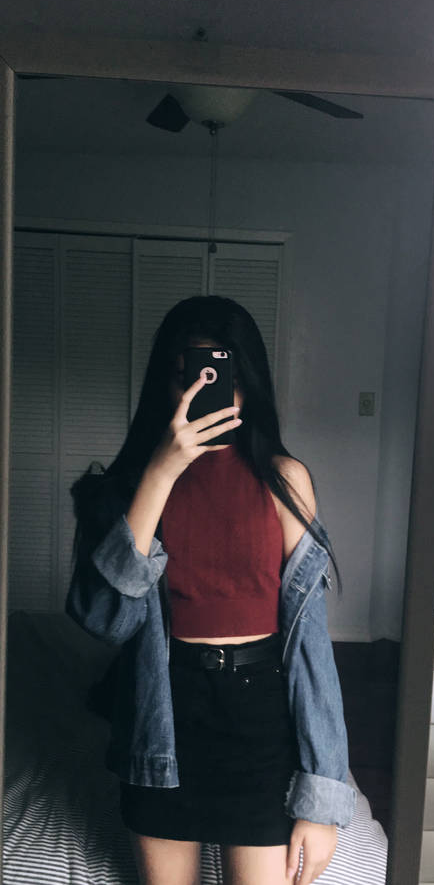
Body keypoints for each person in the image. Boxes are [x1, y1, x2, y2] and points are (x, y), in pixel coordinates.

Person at [66, 295, 357, 885]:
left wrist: (323, 796)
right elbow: (105, 620)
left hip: (262, 721)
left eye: (223, 376)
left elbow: (310, 645)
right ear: (165, 383)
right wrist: (161, 471)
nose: (205, 392)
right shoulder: (125, 489)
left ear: (248, 383)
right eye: (187, 375)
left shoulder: (285, 479)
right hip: (161, 715)